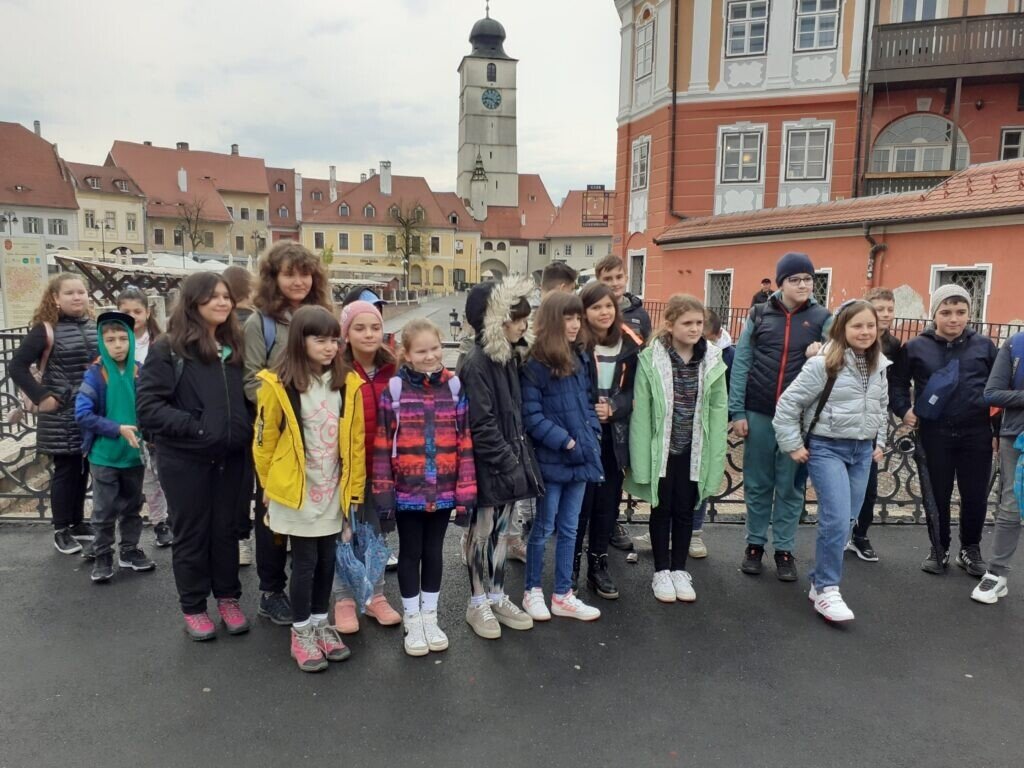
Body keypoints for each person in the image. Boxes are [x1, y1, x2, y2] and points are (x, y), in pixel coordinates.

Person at [137, 272, 253, 641]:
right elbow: (148, 408)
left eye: (226, 296)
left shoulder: (234, 347)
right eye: (212, 297)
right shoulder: (170, 349)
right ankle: (194, 606)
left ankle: (228, 598)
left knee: (226, 531)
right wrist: (198, 427)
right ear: (192, 302)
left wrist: (245, 430)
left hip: (231, 458)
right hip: (187, 459)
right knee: (192, 534)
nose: (222, 302)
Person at [253, 306, 362, 672]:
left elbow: (355, 443)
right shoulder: (279, 384)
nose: (330, 347)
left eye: (334, 340)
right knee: (305, 563)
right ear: (300, 341)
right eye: (320, 339)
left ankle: (320, 623)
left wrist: (354, 492)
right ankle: (301, 632)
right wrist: (267, 483)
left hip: (332, 490)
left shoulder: (346, 383)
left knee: (328, 561)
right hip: (296, 491)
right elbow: (264, 440)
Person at [773, 300, 890, 622]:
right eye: (857, 325)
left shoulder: (879, 365)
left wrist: (879, 441)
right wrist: (792, 444)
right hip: (828, 447)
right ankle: (827, 588)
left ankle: (818, 581)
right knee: (836, 519)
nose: (865, 332)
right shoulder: (824, 364)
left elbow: (881, 406)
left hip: (862, 451)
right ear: (842, 328)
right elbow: (788, 405)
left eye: (870, 325)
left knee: (848, 520)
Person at [373, 319, 476, 657]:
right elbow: (382, 446)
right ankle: (412, 618)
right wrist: (384, 496)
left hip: (444, 489)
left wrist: (465, 493)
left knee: (434, 552)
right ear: (406, 354)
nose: (430, 356)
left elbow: (465, 442)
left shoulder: (454, 387)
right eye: (421, 351)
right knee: (410, 552)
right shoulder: (395, 390)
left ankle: (430, 616)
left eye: (435, 348)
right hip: (408, 490)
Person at [243, 241, 332, 626]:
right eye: (289, 274)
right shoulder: (260, 323)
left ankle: (306, 588)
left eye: (305, 273)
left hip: (319, 432)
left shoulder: (322, 316)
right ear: (273, 278)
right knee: (273, 514)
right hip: (281, 435)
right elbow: (251, 380)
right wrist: (289, 402)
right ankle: (271, 590)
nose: (299, 281)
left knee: (314, 513)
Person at [729, 252, 831, 581]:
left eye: (808, 279)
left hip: (798, 419)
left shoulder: (822, 317)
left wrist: (822, 353)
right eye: (795, 279)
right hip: (759, 411)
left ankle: (784, 549)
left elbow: (841, 356)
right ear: (781, 283)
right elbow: (742, 362)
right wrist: (737, 410)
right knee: (758, 483)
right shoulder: (760, 314)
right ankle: (755, 544)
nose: (802, 285)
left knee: (790, 486)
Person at [625, 295, 727, 604]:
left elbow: (718, 408)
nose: (695, 328)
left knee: (686, 509)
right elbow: (642, 412)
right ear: (670, 325)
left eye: (699, 323)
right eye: (687, 323)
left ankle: (680, 569)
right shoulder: (651, 359)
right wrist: (641, 458)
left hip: (694, 448)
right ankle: (661, 570)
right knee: (662, 508)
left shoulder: (712, 359)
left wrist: (716, 451)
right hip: (662, 448)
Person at [891, 284, 997, 576]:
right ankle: (939, 548)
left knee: (975, 495)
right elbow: (897, 382)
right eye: (946, 312)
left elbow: (999, 387)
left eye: (961, 312)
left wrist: (998, 431)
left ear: (969, 314)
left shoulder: (984, 346)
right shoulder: (915, 347)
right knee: (936, 493)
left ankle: (970, 549)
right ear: (934, 314)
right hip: (935, 432)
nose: (954, 318)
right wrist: (904, 409)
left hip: (976, 431)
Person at [458, 276, 541, 638]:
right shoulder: (478, 363)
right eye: (517, 318)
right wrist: (509, 463)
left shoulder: (506, 357)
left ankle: (496, 595)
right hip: (488, 466)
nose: (524, 325)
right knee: (482, 533)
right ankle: (477, 602)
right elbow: (482, 424)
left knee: (501, 532)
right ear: (496, 320)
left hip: (506, 463)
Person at [520, 292, 604, 621]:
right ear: (553, 321)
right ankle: (532, 591)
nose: (575, 324)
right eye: (568, 318)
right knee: (543, 527)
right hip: (554, 459)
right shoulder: (536, 363)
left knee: (570, 528)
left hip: (580, 455)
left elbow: (587, 403)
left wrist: (592, 433)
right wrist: (566, 443)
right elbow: (532, 415)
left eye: (577, 318)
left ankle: (563, 594)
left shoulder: (579, 356)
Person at [10, 273, 97, 555]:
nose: (77, 297)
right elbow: (17, 366)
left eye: (81, 292)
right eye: (69, 293)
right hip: (61, 412)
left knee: (83, 467)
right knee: (66, 470)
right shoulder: (45, 330)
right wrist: (41, 396)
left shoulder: (94, 326)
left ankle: (77, 522)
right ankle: (61, 529)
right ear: (56, 298)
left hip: (90, 409)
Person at [333, 300, 402, 633]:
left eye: (375, 327)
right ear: (346, 334)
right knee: (344, 534)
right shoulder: (336, 371)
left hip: (383, 469)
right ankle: (344, 599)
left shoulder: (393, 370)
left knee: (376, 534)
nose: (369, 334)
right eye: (359, 328)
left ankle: (375, 594)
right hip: (346, 469)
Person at [573, 282, 642, 599]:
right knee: (579, 506)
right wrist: (591, 409)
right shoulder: (574, 344)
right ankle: (570, 567)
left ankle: (598, 565)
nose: (604, 312)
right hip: (583, 435)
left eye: (608, 306)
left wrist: (615, 406)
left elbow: (634, 390)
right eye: (596, 307)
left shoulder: (629, 344)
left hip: (614, 438)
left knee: (607, 505)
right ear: (584, 312)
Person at [74, 311, 155, 583]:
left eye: (123, 338)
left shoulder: (139, 371)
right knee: (104, 510)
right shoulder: (95, 375)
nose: (118, 345)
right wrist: (117, 429)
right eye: (110, 340)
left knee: (132, 506)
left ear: (131, 340)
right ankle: (103, 554)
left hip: (133, 456)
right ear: (101, 342)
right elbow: (82, 414)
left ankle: (129, 550)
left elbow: (150, 408)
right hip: (104, 456)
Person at [594, 255, 649, 553]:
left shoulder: (639, 314)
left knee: (615, 476)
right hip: (593, 411)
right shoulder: (588, 315)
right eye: (608, 279)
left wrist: (619, 405)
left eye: (619, 277)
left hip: (621, 412)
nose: (615, 283)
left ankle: (610, 523)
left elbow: (643, 370)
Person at [847, 287, 902, 562]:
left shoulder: (893, 345)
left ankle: (860, 535)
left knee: (868, 485)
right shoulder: (848, 338)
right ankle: (838, 531)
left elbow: (895, 384)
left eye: (890, 309)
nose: (886, 314)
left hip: (873, 419)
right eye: (880, 309)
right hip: (844, 420)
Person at [117, 287, 172, 549]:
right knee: (145, 478)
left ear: (147, 312)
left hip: (154, 416)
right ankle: (158, 520)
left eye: (137, 311)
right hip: (126, 418)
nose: (132, 316)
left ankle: (172, 518)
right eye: (126, 311)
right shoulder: (115, 342)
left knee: (164, 474)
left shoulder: (159, 342)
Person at [972, 330, 1024, 604]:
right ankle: (996, 574)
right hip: (1017, 436)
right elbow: (992, 394)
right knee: (1011, 505)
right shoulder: (1017, 344)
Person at [689, 307, 736, 559]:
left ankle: (694, 532)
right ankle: (666, 531)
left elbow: (729, 391)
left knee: (701, 479)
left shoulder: (727, 356)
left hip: (708, 427)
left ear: (716, 335)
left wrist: (725, 419)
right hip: (681, 424)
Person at [222, 266, 256, 566]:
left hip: (234, 413)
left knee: (240, 483)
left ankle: (241, 540)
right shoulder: (260, 324)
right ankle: (279, 534)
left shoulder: (222, 327)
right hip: (262, 409)